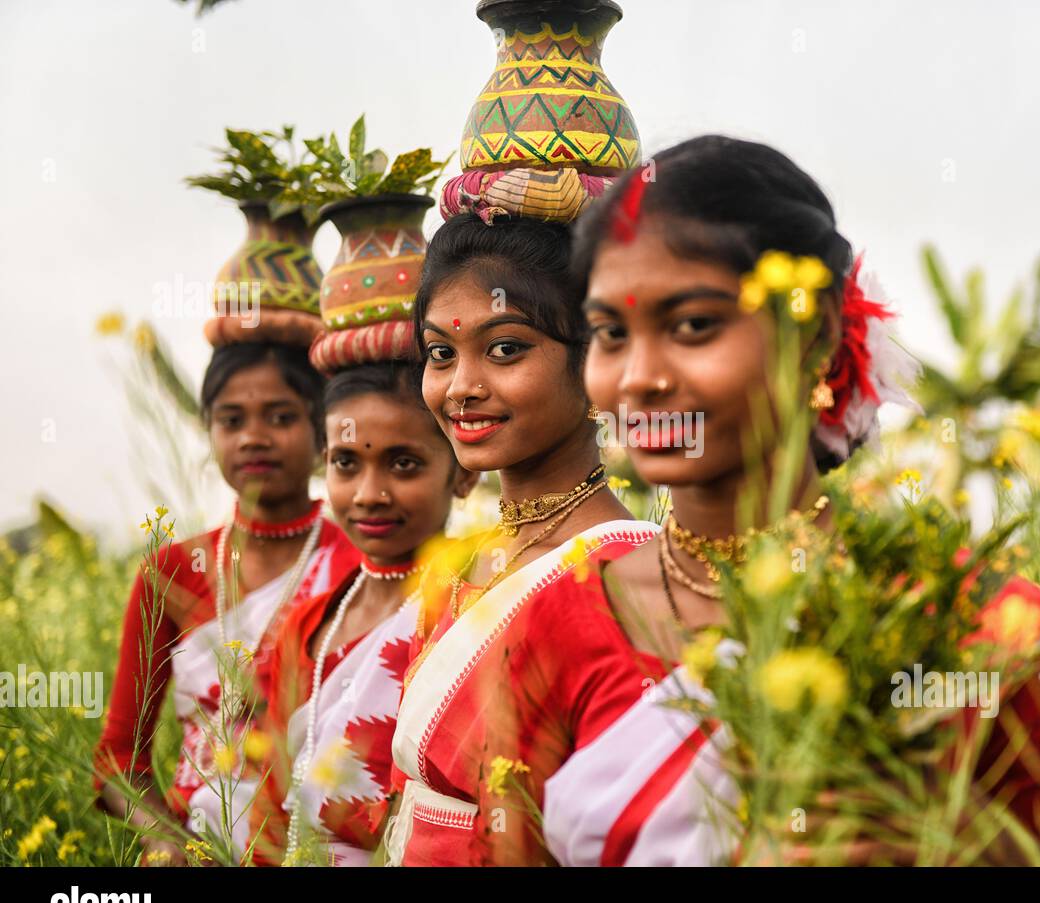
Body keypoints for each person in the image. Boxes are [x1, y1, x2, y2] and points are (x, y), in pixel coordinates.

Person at [480, 134, 1040, 866]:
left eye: (693, 327)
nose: (640, 377)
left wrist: (938, 837)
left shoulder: (956, 619)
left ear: (814, 336)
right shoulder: (558, 623)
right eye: (611, 335)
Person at [384, 210, 660, 866]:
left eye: (505, 348)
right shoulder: (461, 567)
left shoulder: (626, 575)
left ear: (595, 358)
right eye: (440, 353)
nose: (462, 387)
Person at [94, 340, 360, 865]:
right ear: (210, 431)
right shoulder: (170, 572)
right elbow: (118, 761)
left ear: (320, 433)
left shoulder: (359, 564)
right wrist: (169, 844)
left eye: (281, 417)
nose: (253, 438)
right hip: (195, 844)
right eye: (231, 420)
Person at [250, 360, 476, 866]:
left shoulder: (475, 612)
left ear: (464, 473)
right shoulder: (306, 627)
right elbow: (268, 810)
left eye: (404, 464)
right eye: (346, 463)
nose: (370, 495)